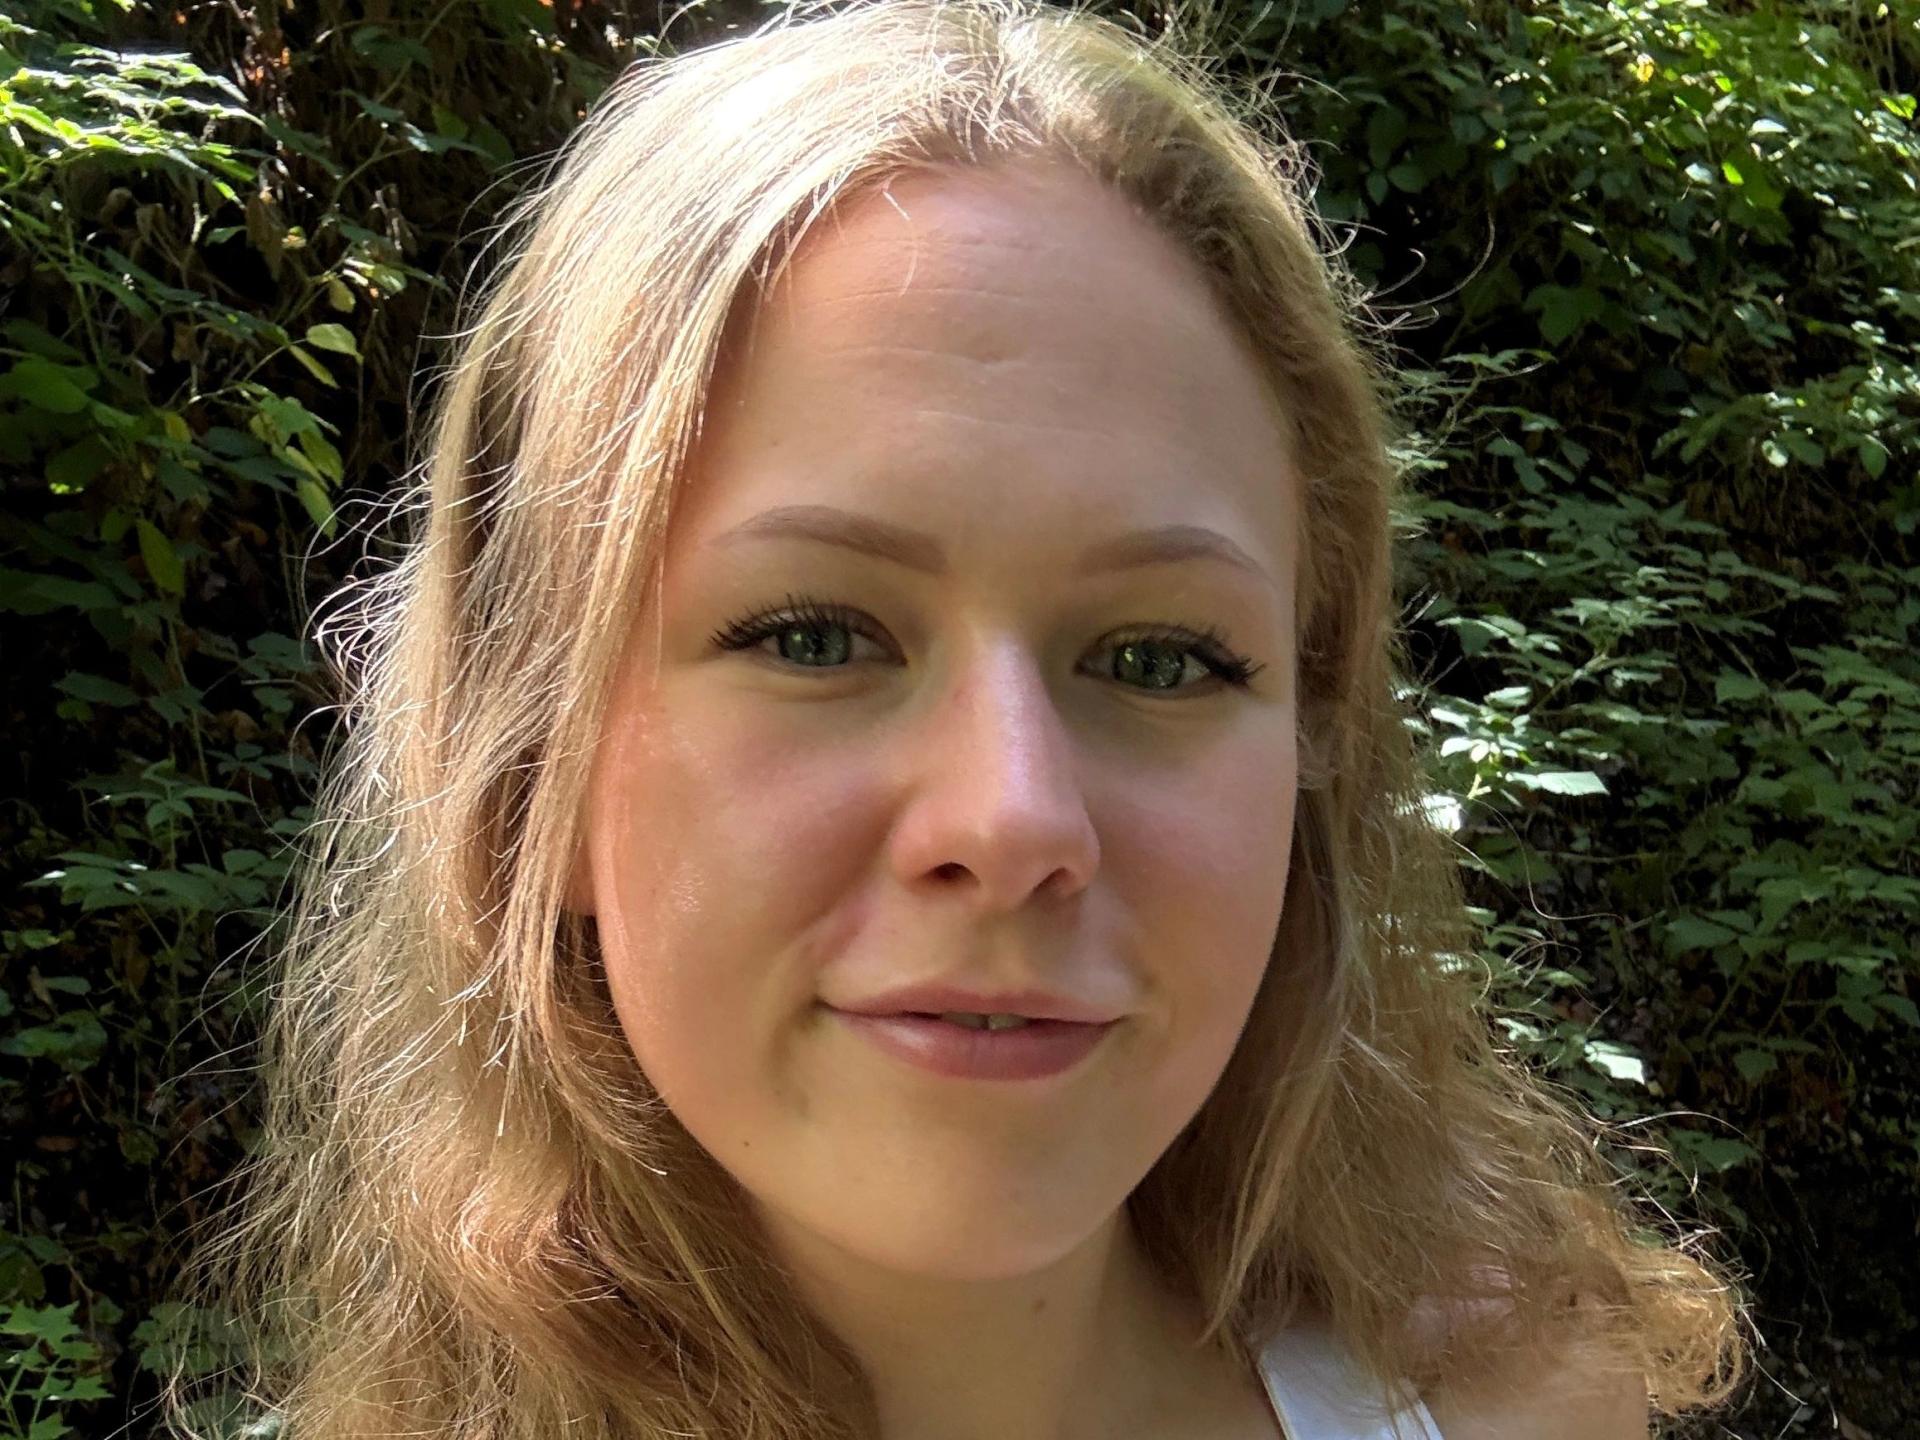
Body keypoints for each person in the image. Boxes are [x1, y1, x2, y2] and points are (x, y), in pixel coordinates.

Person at [164, 1, 1749, 1437]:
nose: (1013, 819)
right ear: (531, 766)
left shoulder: (1527, 1407)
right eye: (814, 636)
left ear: (1311, 753)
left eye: (1160, 658)